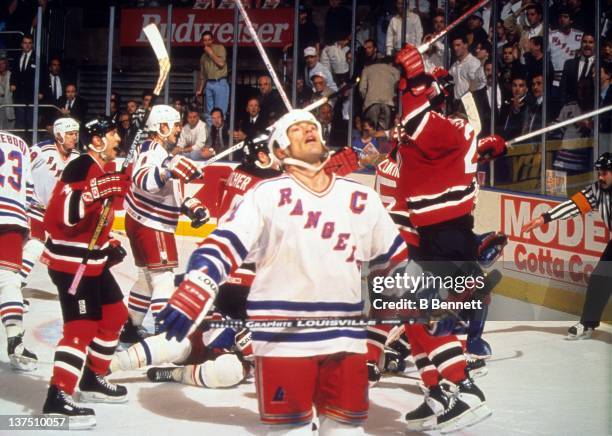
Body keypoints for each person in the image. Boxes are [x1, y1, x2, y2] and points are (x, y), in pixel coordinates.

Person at [158, 108, 406, 434]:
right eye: (296, 130)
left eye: (312, 128)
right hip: (283, 339)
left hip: (342, 337)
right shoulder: (266, 195)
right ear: (279, 152)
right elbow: (224, 243)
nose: (308, 132)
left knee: (345, 428)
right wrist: (199, 284)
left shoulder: (361, 197)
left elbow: (397, 259)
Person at [393, 44, 507, 432]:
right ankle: (437, 390)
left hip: (447, 235)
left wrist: (414, 81)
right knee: (413, 313)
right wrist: (413, 85)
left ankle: (463, 387)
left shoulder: (451, 128)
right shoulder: (433, 133)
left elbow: (419, 124)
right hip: (431, 235)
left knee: (434, 316)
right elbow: (406, 148)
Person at [40, 117, 131, 428]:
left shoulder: (101, 167)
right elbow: (65, 215)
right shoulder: (80, 166)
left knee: (116, 315)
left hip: (92, 260)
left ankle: (93, 377)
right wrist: (97, 189)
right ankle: (58, 396)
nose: (118, 138)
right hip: (71, 264)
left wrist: (109, 242)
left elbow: (96, 219)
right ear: (96, 141)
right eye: (112, 133)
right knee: (80, 329)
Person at [121, 105, 209, 343]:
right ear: (162, 126)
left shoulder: (162, 153)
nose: (179, 130)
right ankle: (162, 335)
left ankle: (131, 326)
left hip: (141, 219)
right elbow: (143, 180)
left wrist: (191, 206)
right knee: (163, 279)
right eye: (176, 125)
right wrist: (168, 169)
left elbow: (170, 191)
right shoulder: (153, 150)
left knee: (146, 279)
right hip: (152, 224)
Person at [521, 152, 612, 340]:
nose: (601, 177)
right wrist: (544, 218)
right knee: (599, 280)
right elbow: (574, 205)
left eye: (605, 173)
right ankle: (587, 324)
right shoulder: (597, 190)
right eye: (599, 173)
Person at [19, 118, 81, 290]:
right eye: (70, 134)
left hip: (56, 215)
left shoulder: (76, 157)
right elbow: (19, 169)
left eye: (76, 133)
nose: (74, 138)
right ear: (59, 135)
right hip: (33, 208)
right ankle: (15, 286)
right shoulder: (40, 151)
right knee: (36, 245)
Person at [0, 130, 36, 371]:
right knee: (9, 280)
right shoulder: (21, 143)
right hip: (13, 217)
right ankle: (15, 342)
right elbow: (30, 194)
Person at [197, 31, 229, 125]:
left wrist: (210, 52)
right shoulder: (203, 57)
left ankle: (220, 136)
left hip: (220, 82)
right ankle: (211, 136)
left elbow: (221, 63)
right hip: (209, 84)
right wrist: (200, 90)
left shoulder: (220, 48)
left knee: (220, 112)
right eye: (205, 40)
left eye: (209, 40)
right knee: (208, 113)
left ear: (213, 40)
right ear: (202, 42)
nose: (207, 42)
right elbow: (202, 75)